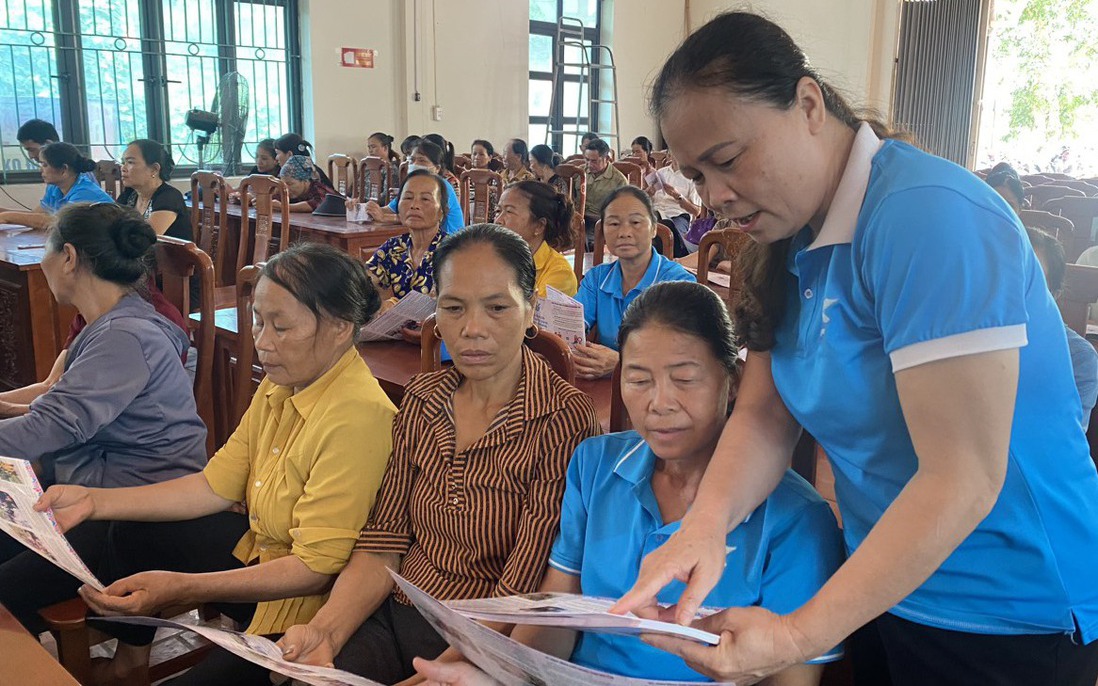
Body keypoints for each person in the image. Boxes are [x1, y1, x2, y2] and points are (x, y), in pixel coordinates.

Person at [611, 12, 1098, 686]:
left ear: (808, 104)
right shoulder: (791, 240)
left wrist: (796, 636)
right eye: (696, 174)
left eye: (727, 160)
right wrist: (705, 527)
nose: (714, 198)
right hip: (883, 583)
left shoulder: (927, 215)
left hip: (1007, 607)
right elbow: (763, 416)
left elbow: (963, 478)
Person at [415, 282, 845, 685]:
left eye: (685, 379)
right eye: (639, 380)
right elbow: (557, 615)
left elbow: (791, 678)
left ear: (733, 381)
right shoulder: (596, 465)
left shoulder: (797, 519)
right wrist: (505, 676)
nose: (658, 404)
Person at [39, 242, 397, 685]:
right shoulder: (283, 384)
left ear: (341, 328)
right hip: (261, 553)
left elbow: (314, 570)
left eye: (281, 327)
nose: (263, 343)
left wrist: (183, 586)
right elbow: (214, 486)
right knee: (128, 527)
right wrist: (93, 500)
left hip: (307, 601)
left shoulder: (357, 416)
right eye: (258, 321)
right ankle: (130, 664)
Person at [276, 224, 601, 683]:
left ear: (531, 312)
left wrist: (435, 674)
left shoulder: (561, 418)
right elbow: (384, 540)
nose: (472, 329)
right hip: (394, 614)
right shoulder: (424, 398)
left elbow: (520, 589)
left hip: (481, 642)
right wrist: (326, 632)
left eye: (497, 307)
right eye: (453, 307)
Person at [0, 203, 206, 633]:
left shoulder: (123, 336)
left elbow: (48, 426)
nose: (42, 262)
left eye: (46, 249)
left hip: (136, 511)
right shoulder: (113, 323)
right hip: (100, 490)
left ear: (69, 258)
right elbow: (56, 408)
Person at [574, 186, 695, 380]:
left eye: (635, 222)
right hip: (607, 386)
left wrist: (622, 363)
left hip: (659, 387)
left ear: (654, 228)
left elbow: (685, 354)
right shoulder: (596, 279)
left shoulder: (678, 283)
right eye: (613, 224)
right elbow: (574, 323)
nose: (624, 232)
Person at [1026, 227, 1098, 429]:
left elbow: (1060, 444)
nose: (1014, 289)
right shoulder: (967, 337)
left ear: (1055, 295)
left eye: (1032, 280)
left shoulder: (1077, 358)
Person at [365, 170, 450, 303]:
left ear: (442, 212)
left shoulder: (451, 251)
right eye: (408, 198)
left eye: (425, 199)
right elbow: (364, 282)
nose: (414, 205)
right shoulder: (394, 247)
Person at [0, 142, 111, 229]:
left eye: (45, 164)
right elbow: (36, 216)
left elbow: (57, 222)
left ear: (63, 169)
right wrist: (3, 212)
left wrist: (8, 216)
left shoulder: (85, 192)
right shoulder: (54, 188)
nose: (41, 169)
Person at [495, 180, 578, 297]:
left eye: (509, 211)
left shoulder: (559, 274)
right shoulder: (495, 258)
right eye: (498, 211)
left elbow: (529, 314)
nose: (498, 220)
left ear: (539, 226)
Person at [365, 140, 464, 234]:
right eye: (412, 160)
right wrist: (364, 209)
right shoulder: (410, 185)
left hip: (448, 243)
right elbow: (389, 209)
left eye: (422, 160)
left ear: (437, 168)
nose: (415, 164)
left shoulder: (441, 187)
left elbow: (424, 217)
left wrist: (384, 218)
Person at [115, 139, 191, 240]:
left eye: (130, 162)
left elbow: (144, 240)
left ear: (154, 169)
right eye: (123, 162)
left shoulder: (169, 197)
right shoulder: (129, 195)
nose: (123, 168)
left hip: (169, 255)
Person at [646, 152, 702, 255]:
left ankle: (680, 257)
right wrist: (648, 194)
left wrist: (678, 196)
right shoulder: (660, 173)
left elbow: (697, 211)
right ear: (669, 155)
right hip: (656, 211)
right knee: (646, 222)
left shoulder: (692, 177)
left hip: (679, 215)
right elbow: (647, 201)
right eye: (673, 153)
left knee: (668, 228)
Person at [582, 138, 628, 247]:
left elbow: (622, 211)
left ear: (607, 158)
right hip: (579, 219)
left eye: (594, 161)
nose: (589, 164)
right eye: (587, 160)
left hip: (600, 222)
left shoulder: (619, 180)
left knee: (587, 241)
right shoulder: (579, 173)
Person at [275, 155, 340, 213]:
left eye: (290, 184)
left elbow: (316, 204)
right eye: (284, 184)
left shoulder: (317, 188)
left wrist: (283, 207)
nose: (286, 188)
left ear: (305, 180)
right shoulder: (294, 192)